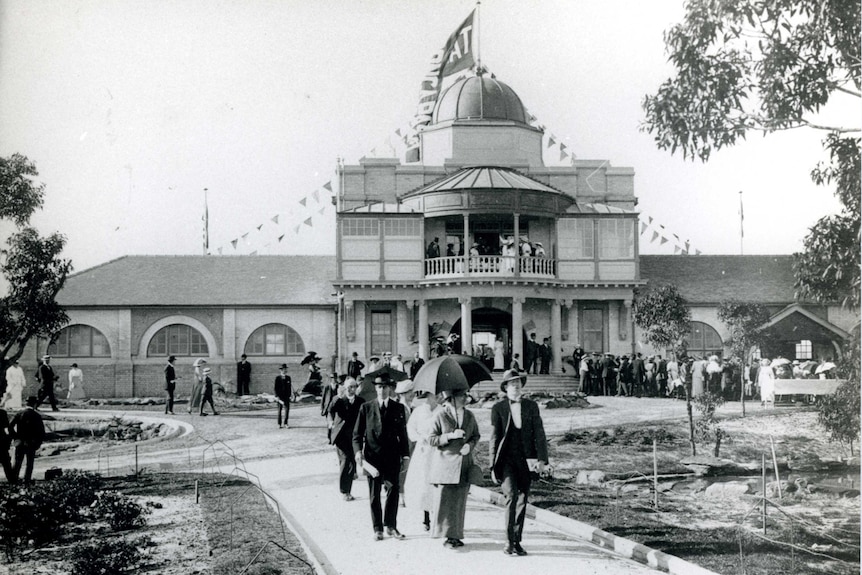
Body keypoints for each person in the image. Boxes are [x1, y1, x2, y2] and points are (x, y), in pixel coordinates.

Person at [489, 370, 548, 556]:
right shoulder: (498, 408)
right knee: (511, 496)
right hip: (506, 460)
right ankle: (508, 541)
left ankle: (517, 540)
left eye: (518, 383)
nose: (516, 386)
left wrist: (542, 460)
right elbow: (494, 437)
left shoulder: (531, 406)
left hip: (527, 459)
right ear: (505, 387)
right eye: (512, 383)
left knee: (523, 499)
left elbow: (539, 433)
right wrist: (492, 466)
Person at [352, 375, 410, 541]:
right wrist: (358, 453)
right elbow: (357, 435)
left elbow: (403, 434)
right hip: (373, 458)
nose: (382, 390)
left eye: (385, 387)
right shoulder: (366, 408)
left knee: (393, 491)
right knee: (374, 494)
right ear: (375, 389)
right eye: (379, 387)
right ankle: (377, 528)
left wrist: (405, 455)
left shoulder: (398, 408)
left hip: (392, 457)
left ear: (390, 389)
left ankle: (391, 526)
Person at [428, 387, 480, 549]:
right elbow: (431, 439)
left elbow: (475, 435)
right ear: (451, 398)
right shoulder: (441, 415)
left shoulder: (469, 415)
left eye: (466, 395)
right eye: (461, 395)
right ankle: (447, 536)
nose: (465, 398)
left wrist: (469, 446)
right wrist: (450, 436)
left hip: (463, 464)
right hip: (445, 465)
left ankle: (456, 535)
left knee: (459, 501)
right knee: (445, 500)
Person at [404, 389, 438, 531]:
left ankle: (437, 515)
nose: (433, 398)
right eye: (430, 395)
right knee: (424, 482)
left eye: (435, 395)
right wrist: (419, 438)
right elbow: (411, 428)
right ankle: (426, 518)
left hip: (437, 450)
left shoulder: (442, 411)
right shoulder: (419, 411)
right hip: (423, 450)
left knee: (436, 482)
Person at [329, 377, 365, 501]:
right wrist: (338, 396)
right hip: (341, 437)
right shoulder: (338, 400)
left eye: (353, 386)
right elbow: (330, 409)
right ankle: (345, 491)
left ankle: (348, 483)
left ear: (357, 388)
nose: (350, 389)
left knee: (350, 462)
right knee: (346, 461)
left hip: (354, 437)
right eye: (348, 387)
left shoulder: (361, 401)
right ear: (344, 387)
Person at [10, 396, 45, 485]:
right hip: (31, 442)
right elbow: (41, 431)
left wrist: (15, 437)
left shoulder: (19, 413)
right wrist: (38, 442)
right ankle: (27, 481)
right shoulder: (36, 415)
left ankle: (13, 481)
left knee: (17, 463)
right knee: (29, 464)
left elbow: (10, 427)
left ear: (26, 403)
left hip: (20, 442)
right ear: (34, 404)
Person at [274, 364, 294, 428]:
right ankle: (279, 424)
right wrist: (277, 396)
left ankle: (286, 423)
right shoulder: (277, 378)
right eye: (283, 369)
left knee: (287, 410)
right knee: (279, 410)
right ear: (281, 370)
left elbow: (289, 387)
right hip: (280, 396)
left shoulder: (288, 378)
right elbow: (275, 388)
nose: (285, 370)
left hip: (286, 396)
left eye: (285, 369)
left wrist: (290, 395)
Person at [0, 406, 13, 482]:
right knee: (6, 462)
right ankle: (11, 480)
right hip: (1, 441)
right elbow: (7, 428)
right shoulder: (2, 413)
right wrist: (9, 439)